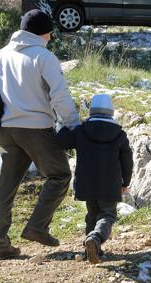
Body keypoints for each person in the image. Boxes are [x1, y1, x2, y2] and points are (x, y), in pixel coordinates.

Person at [0, 9, 81, 260]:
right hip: (36, 129)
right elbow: (59, 96)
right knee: (60, 174)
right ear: (44, 32)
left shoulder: (1, 55)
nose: (51, 37)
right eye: (50, 32)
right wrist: (74, 125)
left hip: (5, 130)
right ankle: (37, 226)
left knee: (3, 189)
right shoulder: (44, 56)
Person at [57, 94, 133, 264]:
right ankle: (96, 238)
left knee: (92, 214)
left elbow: (61, 142)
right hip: (109, 185)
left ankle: (90, 250)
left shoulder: (81, 131)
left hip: (86, 183)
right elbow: (127, 161)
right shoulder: (120, 134)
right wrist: (125, 182)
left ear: (91, 111)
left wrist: (65, 125)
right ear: (111, 112)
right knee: (107, 215)